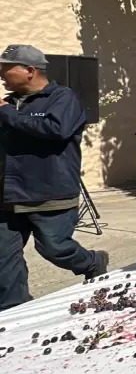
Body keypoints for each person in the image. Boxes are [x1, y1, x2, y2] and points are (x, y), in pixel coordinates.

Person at [0, 45, 109, 311]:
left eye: (6, 68)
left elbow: (55, 130)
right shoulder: (9, 103)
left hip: (49, 193)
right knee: (3, 258)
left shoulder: (62, 98)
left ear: (29, 71)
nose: (1, 74)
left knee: (54, 248)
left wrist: (6, 113)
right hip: (9, 195)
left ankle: (92, 262)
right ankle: (14, 311)